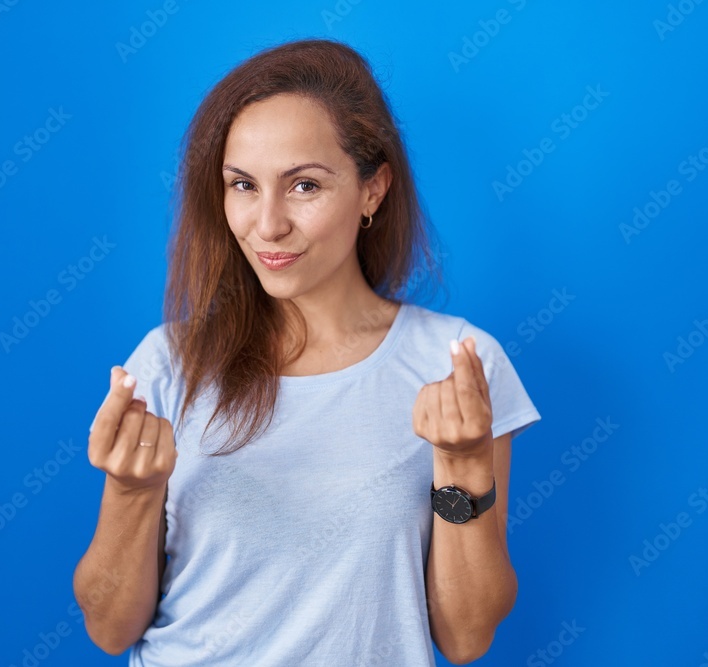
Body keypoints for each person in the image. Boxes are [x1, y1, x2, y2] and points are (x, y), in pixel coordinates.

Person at [72, 38, 541, 666]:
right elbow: (107, 629)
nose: (267, 225)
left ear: (372, 190)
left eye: (303, 187)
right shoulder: (168, 363)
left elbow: (466, 636)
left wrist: (460, 464)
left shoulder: (457, 362)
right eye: (243, 184)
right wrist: (132, 493)